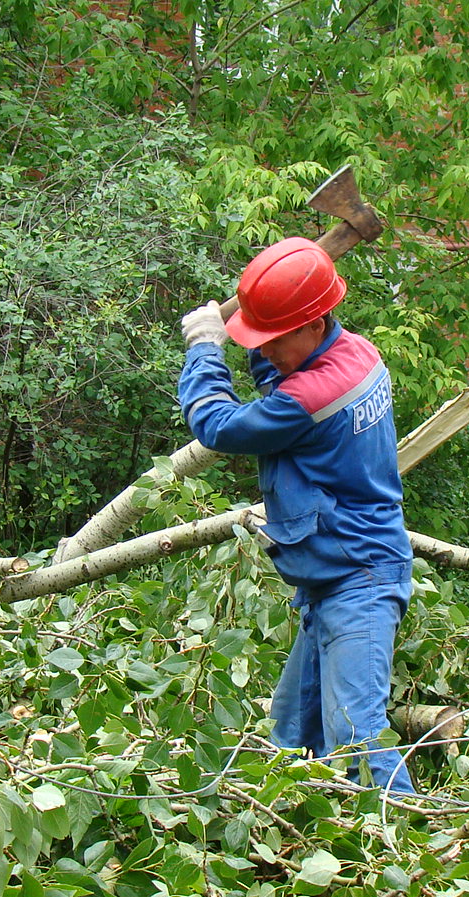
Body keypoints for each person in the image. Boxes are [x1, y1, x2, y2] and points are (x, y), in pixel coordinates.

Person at [176, 237, 415, 794]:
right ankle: (293, 831)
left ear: (315, 322)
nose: (266, 353)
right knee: (292, 736)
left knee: (358, 738)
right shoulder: (355, 352)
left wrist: (206, 348)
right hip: (334, 572)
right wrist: (258, 317)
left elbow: (219, 426)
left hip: (359, 576)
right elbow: (280, 373)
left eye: (274, 340)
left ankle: (409, 836)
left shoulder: (311, 396)